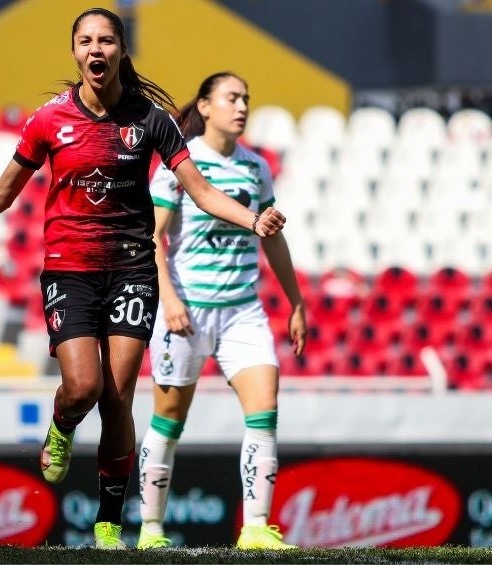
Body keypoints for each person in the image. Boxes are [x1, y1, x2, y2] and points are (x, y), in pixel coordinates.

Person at [0, 10, 286, 550]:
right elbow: (0, 193)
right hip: (70, 271)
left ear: (121, 50)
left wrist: (254, 219)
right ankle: (62, 426)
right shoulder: (49, 120)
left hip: (131, 270)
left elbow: (199, 191)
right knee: (83, 387)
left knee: (118, 396)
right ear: (75, 53)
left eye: (106, 39)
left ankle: (109, 523)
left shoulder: (150, 119)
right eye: (86, 40)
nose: (96, 48)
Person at [136, 72, 307, 550]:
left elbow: (273, 237)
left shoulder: (255, 167)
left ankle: (254, 528)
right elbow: (153, 237)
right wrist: (167, 299)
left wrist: (296, 302)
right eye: (231, 98)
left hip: (241, 312)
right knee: (168, 421)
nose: (242, 106)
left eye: (247, 99)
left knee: (265, 409)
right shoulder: (179, 164)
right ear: (206, 107)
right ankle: (150, 531)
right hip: (186, 310)